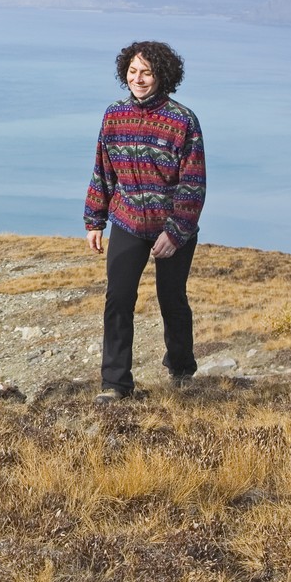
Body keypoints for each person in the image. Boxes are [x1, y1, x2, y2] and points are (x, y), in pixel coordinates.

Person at [84, 41, 206, 403]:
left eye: (147, 73)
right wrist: (95, 219)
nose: (138, 79)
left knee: (172, 299)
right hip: (128, 220)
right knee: (118, 298)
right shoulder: (113, 115)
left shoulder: (183, 120)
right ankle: (115, 383)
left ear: (162, 77)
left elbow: (193, 183)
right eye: (133, 71)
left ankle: (181, 368)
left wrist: (176, 232)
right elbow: (103, 170)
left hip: (172, 226)